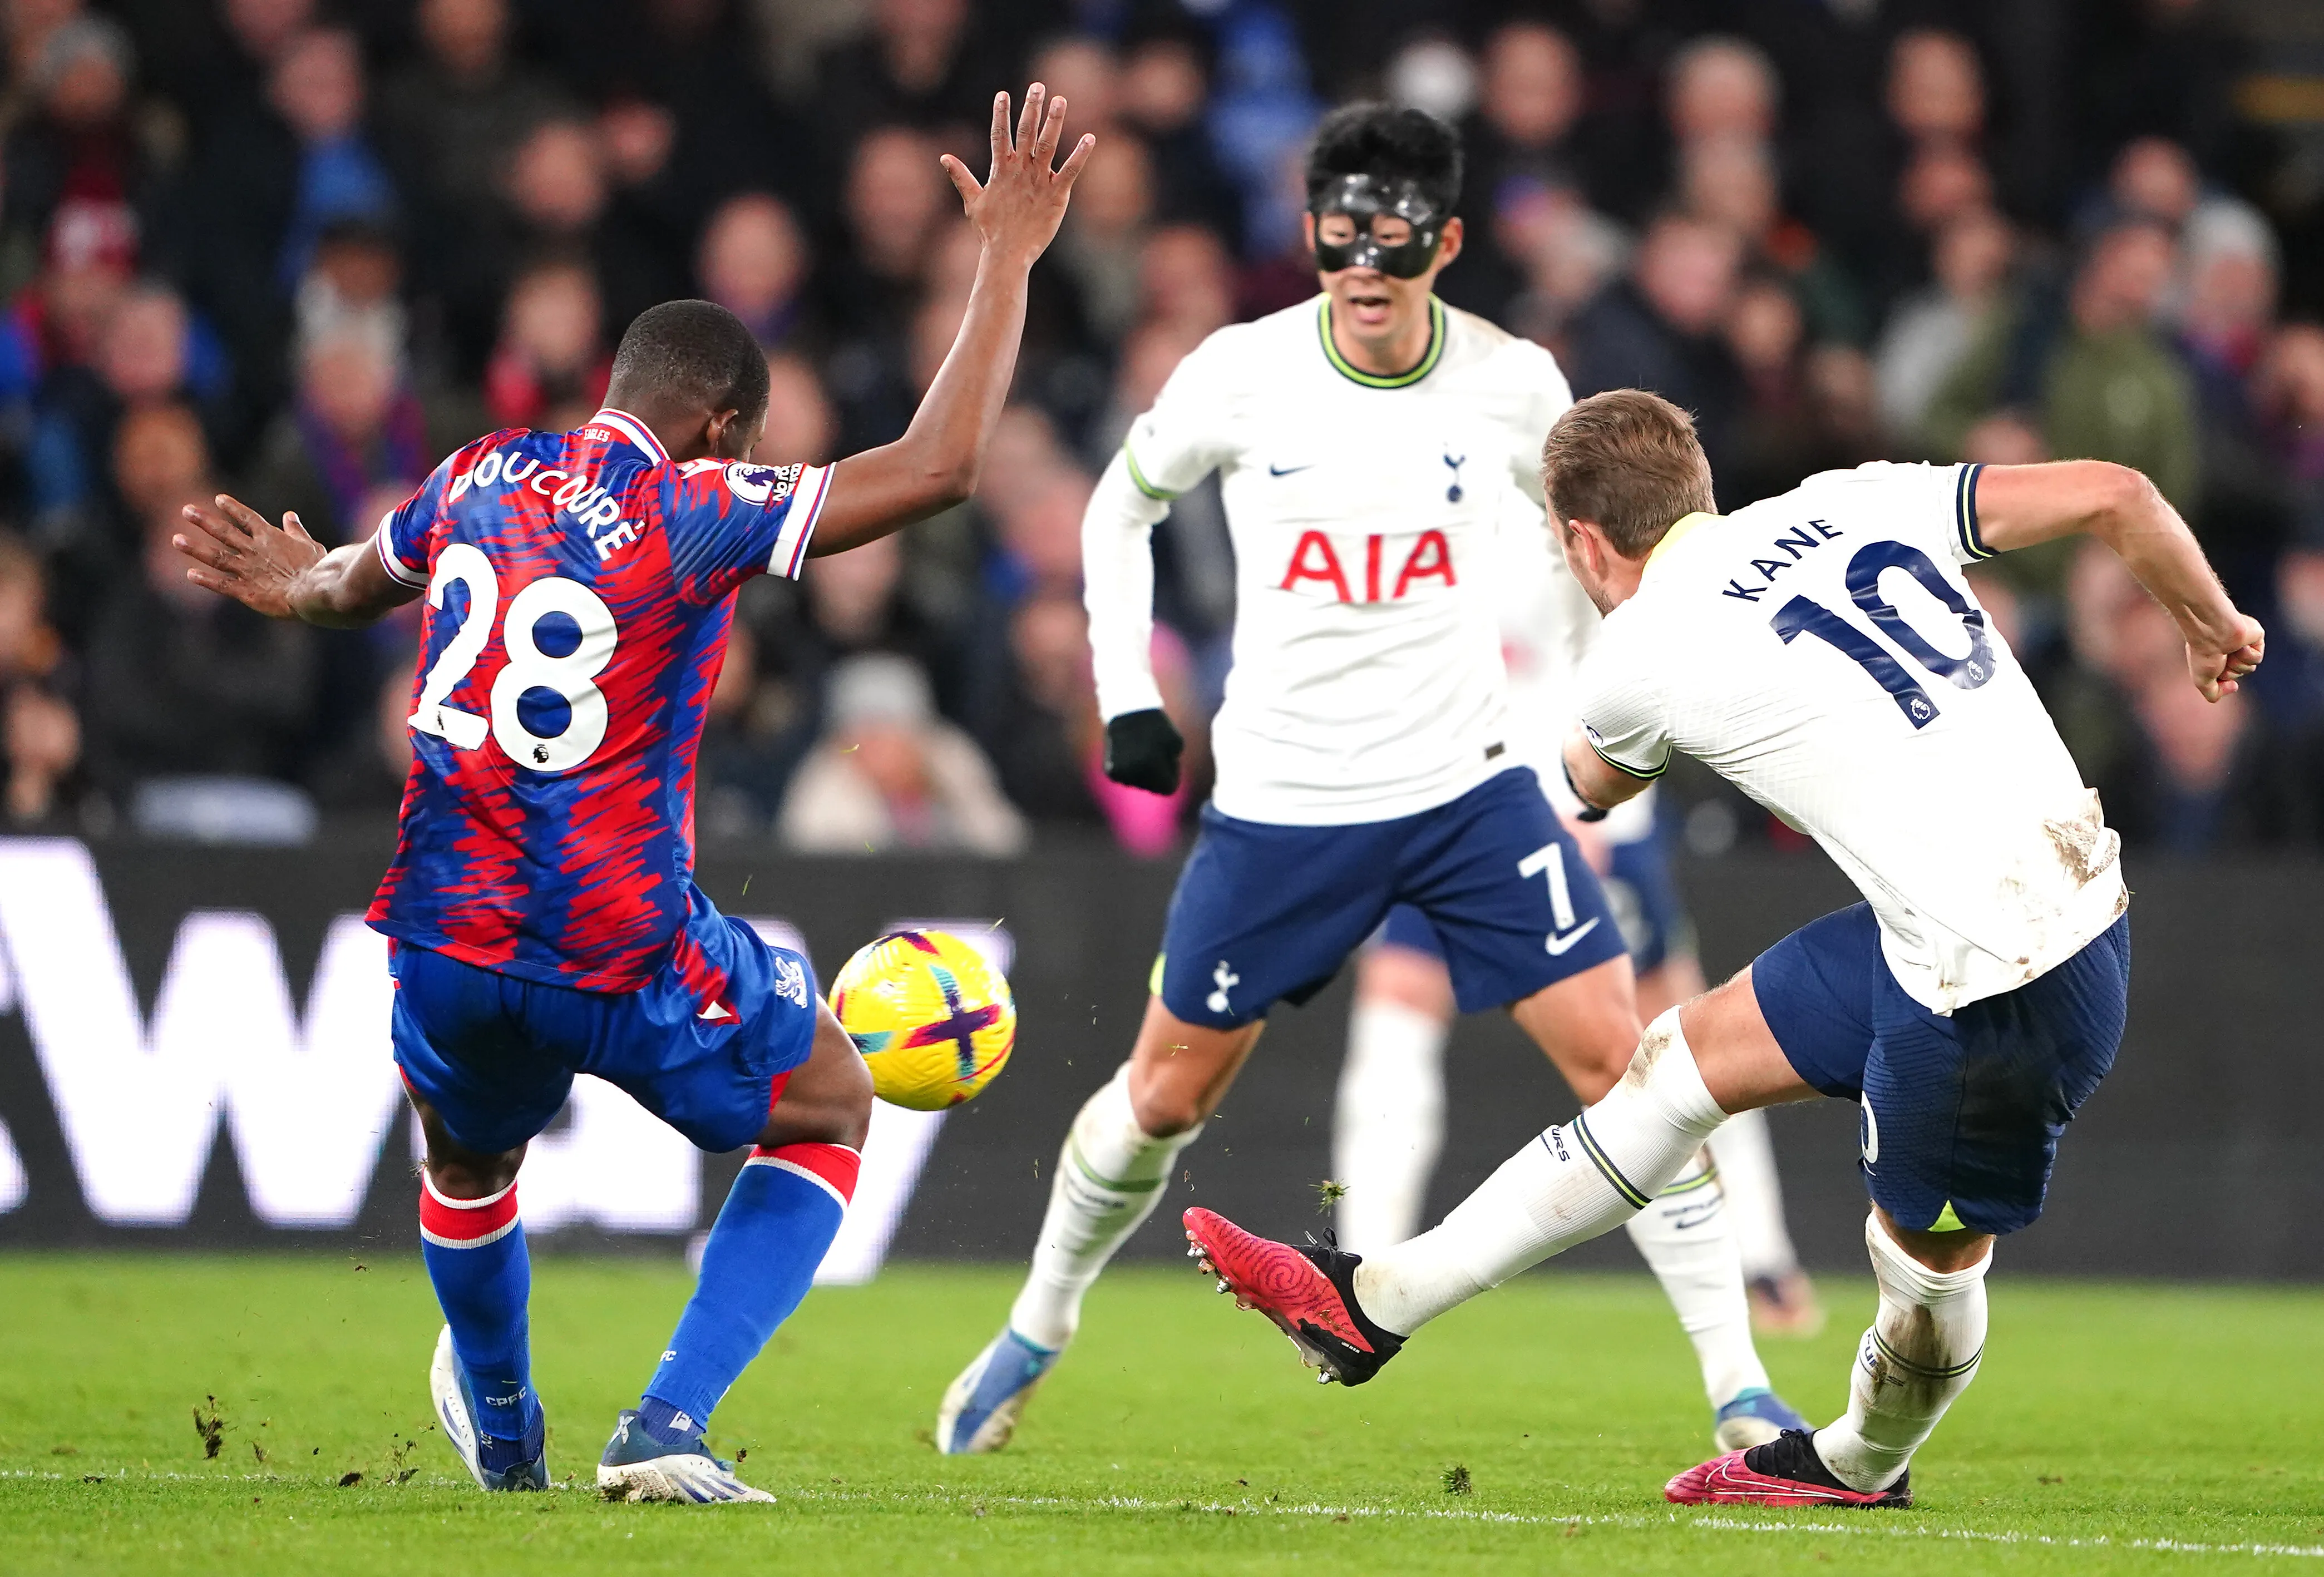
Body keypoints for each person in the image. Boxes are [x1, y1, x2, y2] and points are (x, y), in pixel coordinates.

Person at [170, 85, 1093, 1504]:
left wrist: (296, 584)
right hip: (612, 934)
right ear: (719, 424)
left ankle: (505, 1427)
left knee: (467, 1164)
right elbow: (942, 466)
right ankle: (665, 1421)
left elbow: (350, 584)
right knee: (828, 1103)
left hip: (444, 934)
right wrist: (1008, 260)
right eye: (743, 440)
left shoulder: (477, 473)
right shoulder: (694, 508)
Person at [1184, 389, 2263, 1507]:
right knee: (1673, 1066)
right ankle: (1369, 1303)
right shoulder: (1855, 498)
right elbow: (2119, 493)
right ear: (1697, 487)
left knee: (1930, 1269)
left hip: (1995, 992)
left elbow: (1594, 785)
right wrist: (2210, 624)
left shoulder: (1640, 653)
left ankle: (1859, 1465)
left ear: (1584, 542)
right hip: (2009, 917)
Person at [936, 105, 1802, 1459]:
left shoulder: (1517, 385)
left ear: (1445, 244)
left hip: (1468, 794)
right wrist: (1127, 690)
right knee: (1165, 1098)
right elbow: (1121, 504)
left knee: (1632, 1068)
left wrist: (1606, 731)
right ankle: (1037, 1324)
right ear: (1310, 233)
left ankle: (1740, 1388)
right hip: (1282, 807)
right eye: (1341, 231)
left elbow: (1610, 555)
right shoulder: (1240, 372)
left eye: (1393, 235)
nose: (1364, 261)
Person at [1330, 493, 1825, 1336]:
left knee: (1675, 1035)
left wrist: (1584, 805)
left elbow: (1623, 639)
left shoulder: (1563, 501)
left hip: (1578, 810)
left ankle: (1761, 1261)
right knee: (1398, 1002)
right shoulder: (1428, 495)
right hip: (1456, 801)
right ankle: (1357, 1268)